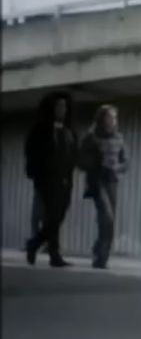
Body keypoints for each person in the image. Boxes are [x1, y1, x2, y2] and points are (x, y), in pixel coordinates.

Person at [24, 91, 78, 268]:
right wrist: (37, 174)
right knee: (52, 215)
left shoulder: (69, 130)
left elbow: (73, 154)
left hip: (65, 180)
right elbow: (31, 152)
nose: (62, 110)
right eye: (58, 106)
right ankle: (54, 254)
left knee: (57, 217)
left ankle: (34, 243)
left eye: (64, 106)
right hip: (46, 179)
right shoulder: (41, 129)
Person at [80, 104, 129, 270]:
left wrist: (117, 168)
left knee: (110, 221)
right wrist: (96, 164)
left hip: (112, 181)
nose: (113, 121)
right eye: (110, 117)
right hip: (97, 180)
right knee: (106, 217)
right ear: (101, 118)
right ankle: (100, 256)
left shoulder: (119, 138)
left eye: (115, 118)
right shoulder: (91, 138)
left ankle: (101, 254)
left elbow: (125, 161)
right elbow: (80, 161)